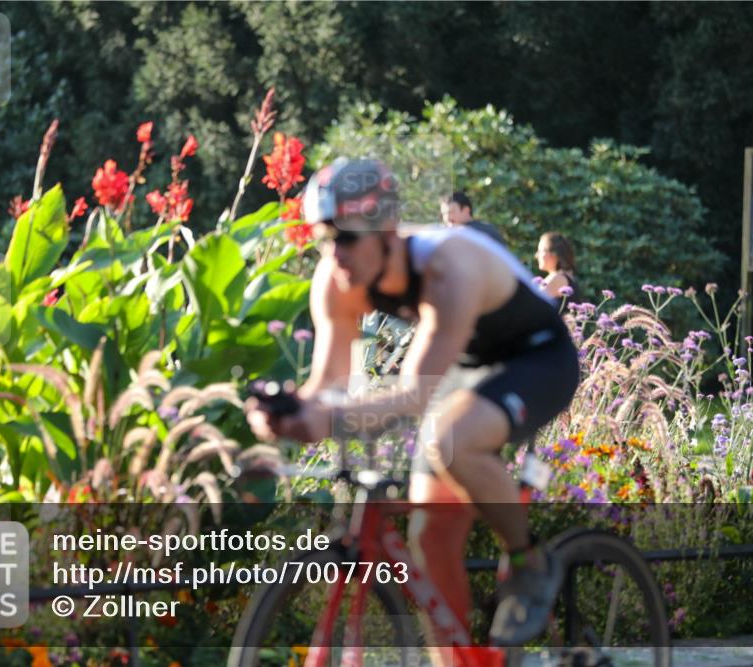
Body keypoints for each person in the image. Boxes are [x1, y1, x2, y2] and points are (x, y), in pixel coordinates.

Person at [245, 159, 580, 657]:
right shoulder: (337, 279)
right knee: (429, 538)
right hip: (467, 365)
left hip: (537, 358)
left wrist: (330, 419)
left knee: (452, 440)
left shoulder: (447, 264)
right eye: (325, 238)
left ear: (386, 231)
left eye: (348, 238)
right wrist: (286, 413)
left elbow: (413, 396)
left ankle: (529, 561)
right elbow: (328, 383)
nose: (335, 253)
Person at [440, 191, 506, 246]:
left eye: (451, 212)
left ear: (466, 210)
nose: (447, 218)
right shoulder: (447, 234)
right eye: (444, 214)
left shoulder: (483, 232)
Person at [535, 231, 581, 304]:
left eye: (541, 251)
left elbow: (530, 304)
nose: (537, 255)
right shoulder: (565, 276)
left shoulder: (558, 278)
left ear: (555, 254)